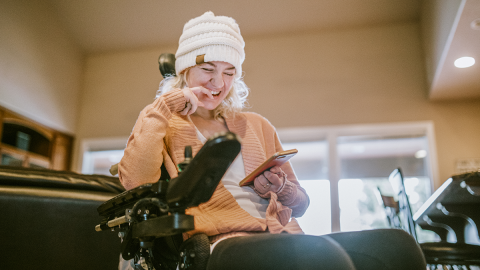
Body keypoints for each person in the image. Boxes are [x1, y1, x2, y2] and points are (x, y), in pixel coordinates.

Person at [118, 11, 427, 270]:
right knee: (322, 259)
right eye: (207, 69)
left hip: (282, 233)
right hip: (219, 243)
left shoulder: (257, 126)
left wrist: (281, 187)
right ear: (185, 70)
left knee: (399, 248)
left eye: (229, 72)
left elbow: (303, 204)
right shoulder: (164, 122)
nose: (218, 83)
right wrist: (166, 104)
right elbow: (136, 182)